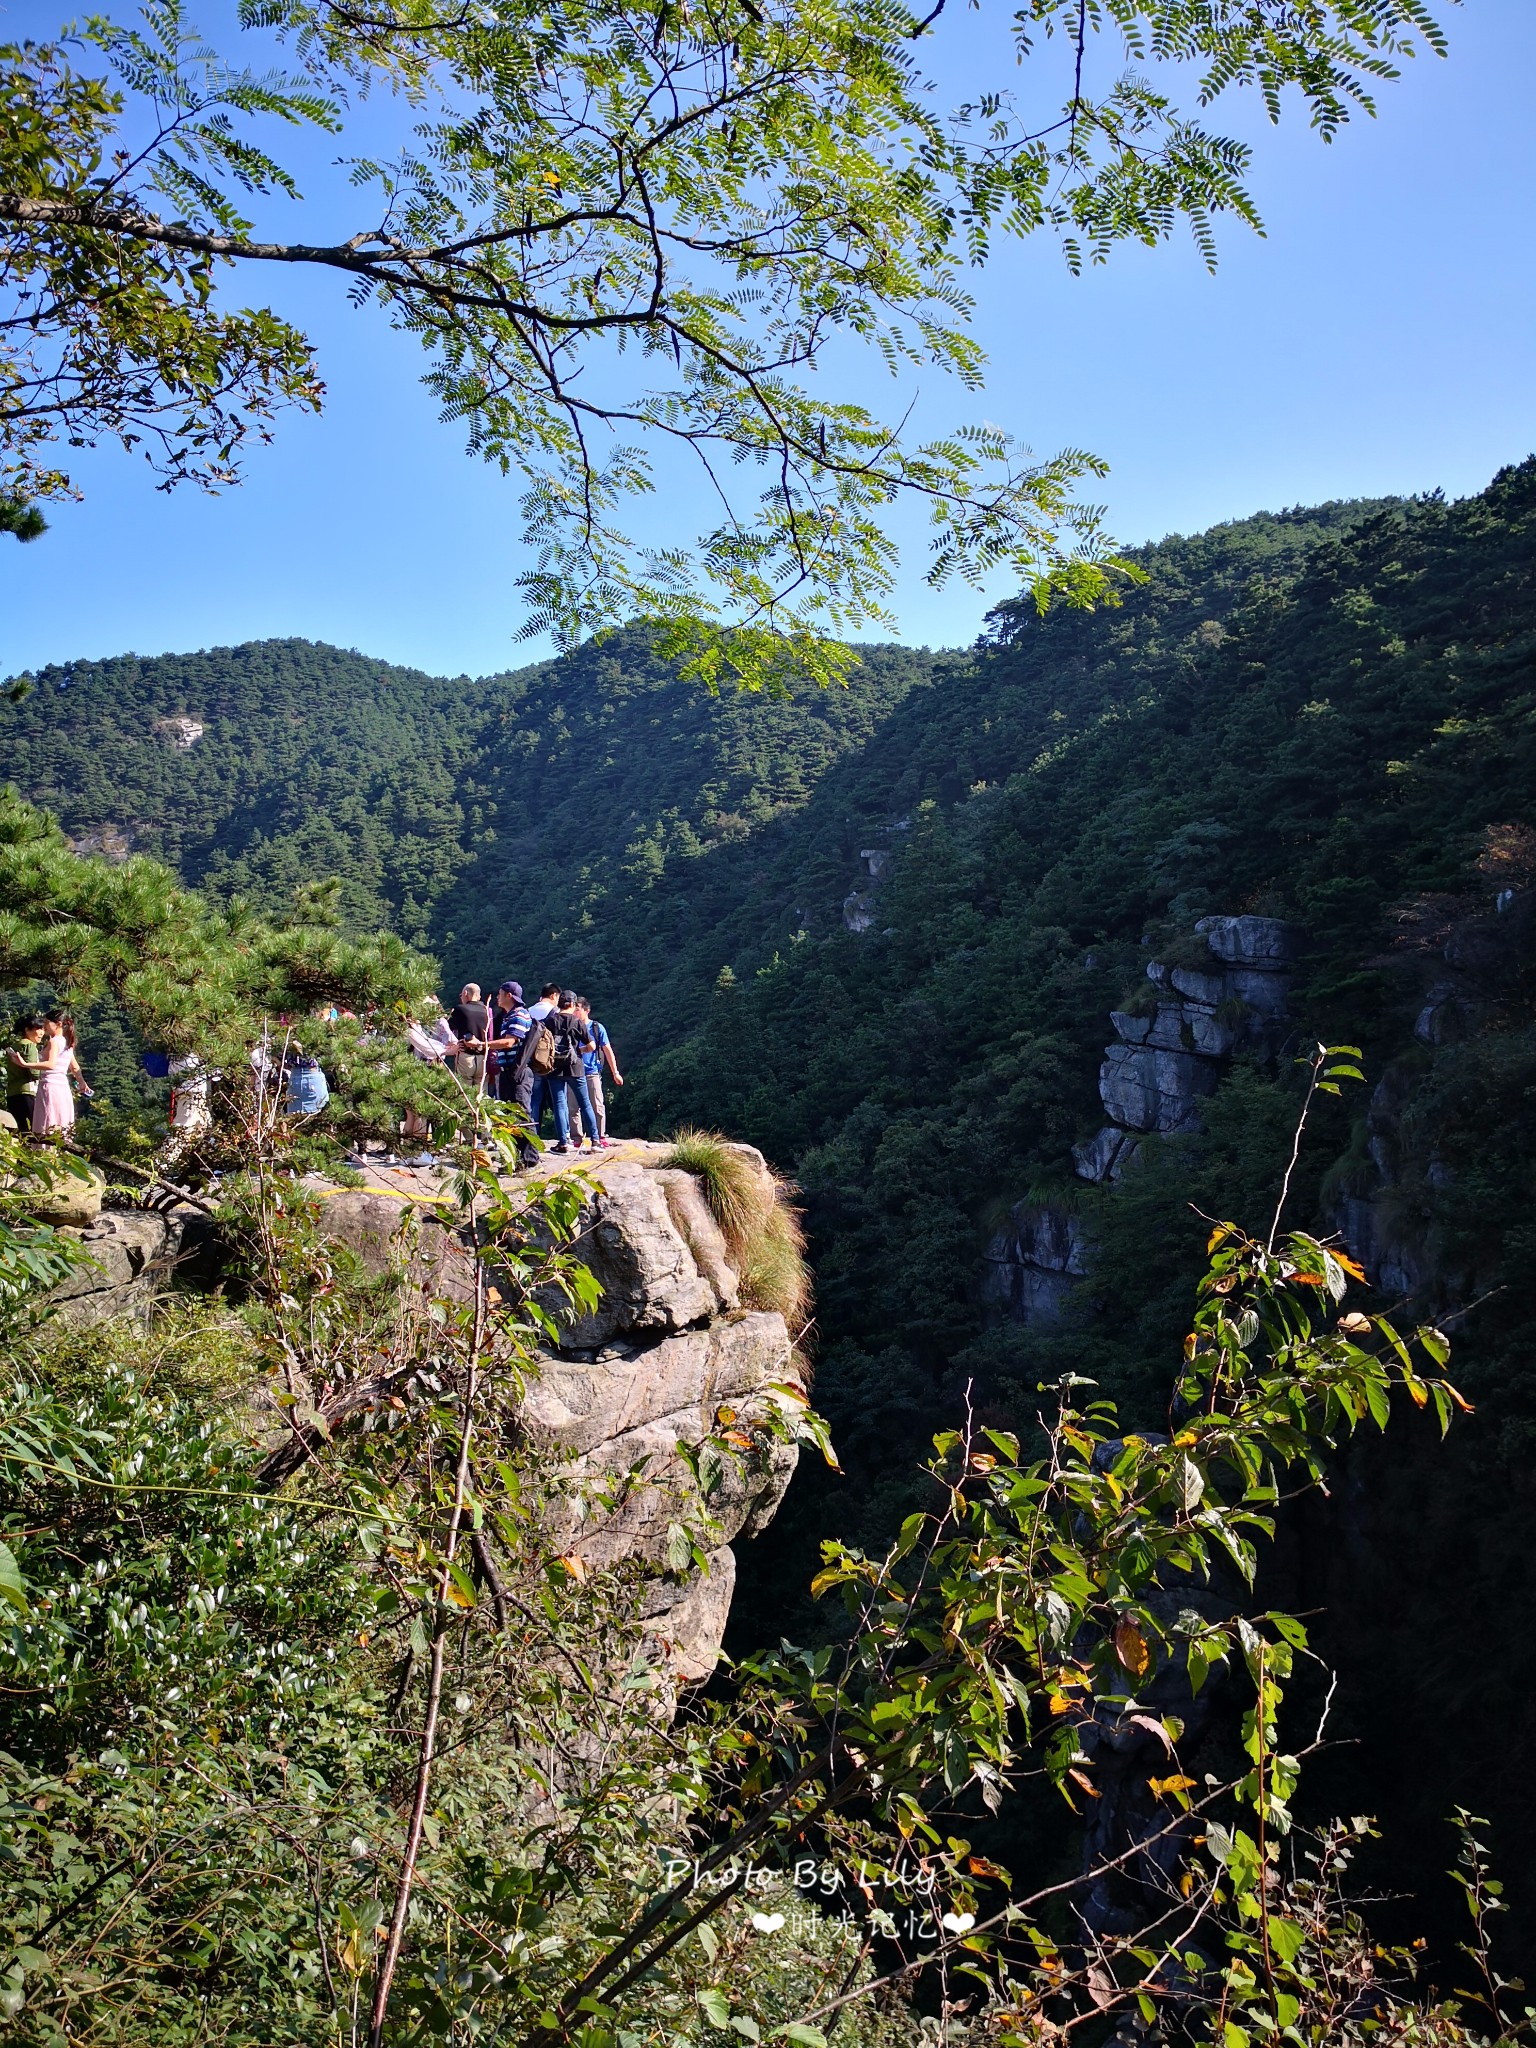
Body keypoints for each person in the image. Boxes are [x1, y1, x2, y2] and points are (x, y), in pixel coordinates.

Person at [554, 990, 603, 1153]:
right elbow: (592, 1046)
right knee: (586, 1103)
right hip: (576, 1067)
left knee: (560, 1104)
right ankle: (595, 1141)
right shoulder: (577, 1022)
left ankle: (563, 1143)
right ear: (573, 1004)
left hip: (554, 1068)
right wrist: (578, 1051)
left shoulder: (549, 1020)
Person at [575, 996, 623, 1144]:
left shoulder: (596, 1028)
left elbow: (608, 1050)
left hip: (592, 1071)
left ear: (586, 1011)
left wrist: (615, 1072)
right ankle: (576, 1138)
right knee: (573, 1108)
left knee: (597, 1105)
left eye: (577, 1010)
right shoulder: (570, 1026)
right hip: (572, 1071)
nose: (574, 1013)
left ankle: (600, 1136)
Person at [32, 1015, 83, 1137]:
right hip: (63, 1087)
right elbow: (75, 1067)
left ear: (58, 1024)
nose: (44, 1026)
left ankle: (45, 1152)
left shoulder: (54, 1041)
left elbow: (51, 1064)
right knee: (62, 1120)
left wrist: (25, 1064)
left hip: (50, 1085)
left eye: (47, 1023)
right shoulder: (67, 1041)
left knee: (48, 1120)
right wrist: (82, 1083)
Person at [446, 982, 491, 1090]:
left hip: (466, 1056)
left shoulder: (460, 1009)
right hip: (483, 1057)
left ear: (465, 993)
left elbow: (448, 1028)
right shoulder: (487, 1011)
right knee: (481, 1092)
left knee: (464, 1092)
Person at [5, 1015, 44, 1133]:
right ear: (27, 1030)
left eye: (43, 1029)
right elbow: (34, 1071)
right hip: (27, 1092)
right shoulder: (29, 1046)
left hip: (12, 1093)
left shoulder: (14, 1046)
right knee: (31, 1131)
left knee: (21, 1131)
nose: (42, 1033)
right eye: (38, 1029)